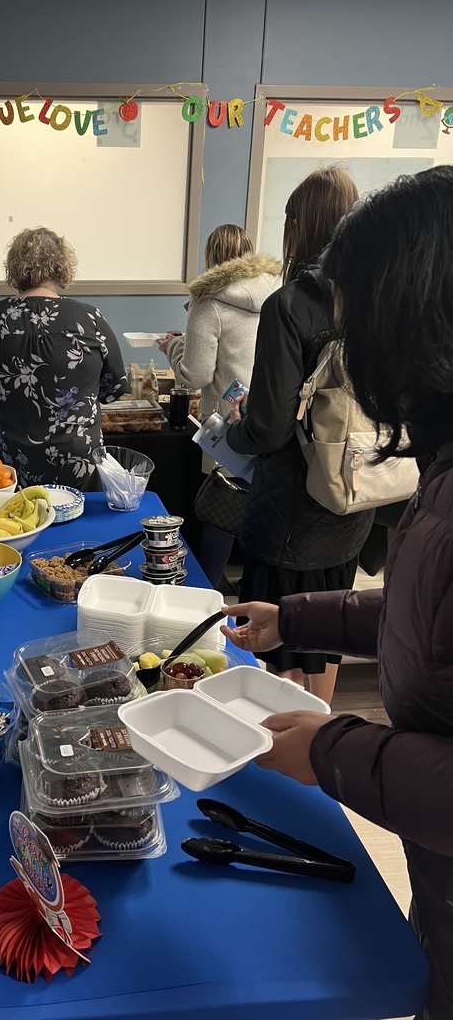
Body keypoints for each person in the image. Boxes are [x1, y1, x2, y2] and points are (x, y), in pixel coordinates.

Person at [221, 165, 453, 1020]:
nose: (350, 355)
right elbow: (425, 618)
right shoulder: (439, 463)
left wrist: (331, 752)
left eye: (360, 325)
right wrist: (297, 618)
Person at [223, 166, 374, 703]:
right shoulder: (374, 300)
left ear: (297, 228)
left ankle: (282, 751)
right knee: (327, 633)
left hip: (290, 511)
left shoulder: (289, 305)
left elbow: (266, 428)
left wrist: (230, 431)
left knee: (278, 641)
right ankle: (320, 730)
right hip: (353, 498)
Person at [157, 224, 281, 588]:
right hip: (271, 414)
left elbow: (195, 375)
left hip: (226, 422)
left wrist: (172, 348)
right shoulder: (277, 292)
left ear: (211, 260)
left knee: (221, 509)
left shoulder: (207, 301)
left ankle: (207, 591)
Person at [0, 226, 127, 489]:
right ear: (62, 267)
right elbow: (115, 388)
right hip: (78, 457)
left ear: (14, 267)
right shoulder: (89, 319)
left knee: (22, 523)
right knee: (80, 524)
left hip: (11, 462)